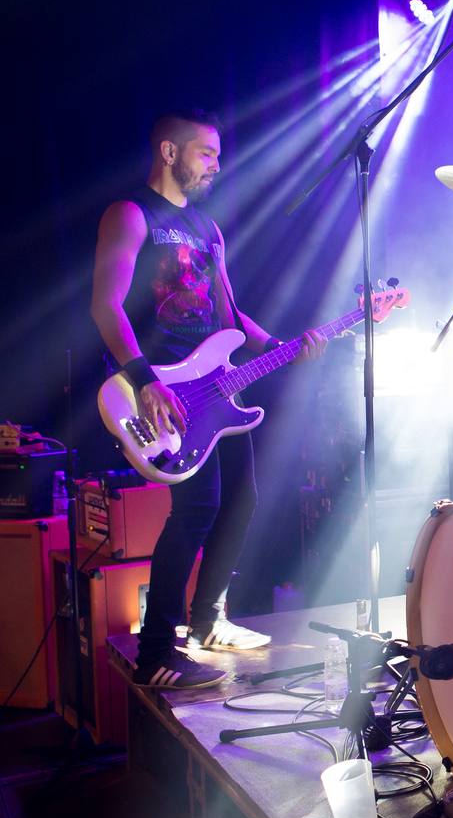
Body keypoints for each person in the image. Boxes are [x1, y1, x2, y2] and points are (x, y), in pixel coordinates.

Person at [91, 109, 326, 689]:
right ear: (169, 152)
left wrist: (283, 345)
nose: (216, 166)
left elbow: (228, 313)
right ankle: (157, 650)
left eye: (219, 156)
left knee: (241, 500)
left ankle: (209, 621)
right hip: (162, 386)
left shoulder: (208, 230)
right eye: (206, 154)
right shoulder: (131, 214)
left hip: (217, 386)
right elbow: (106, 304)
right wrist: (146, 379)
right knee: (197, 507)